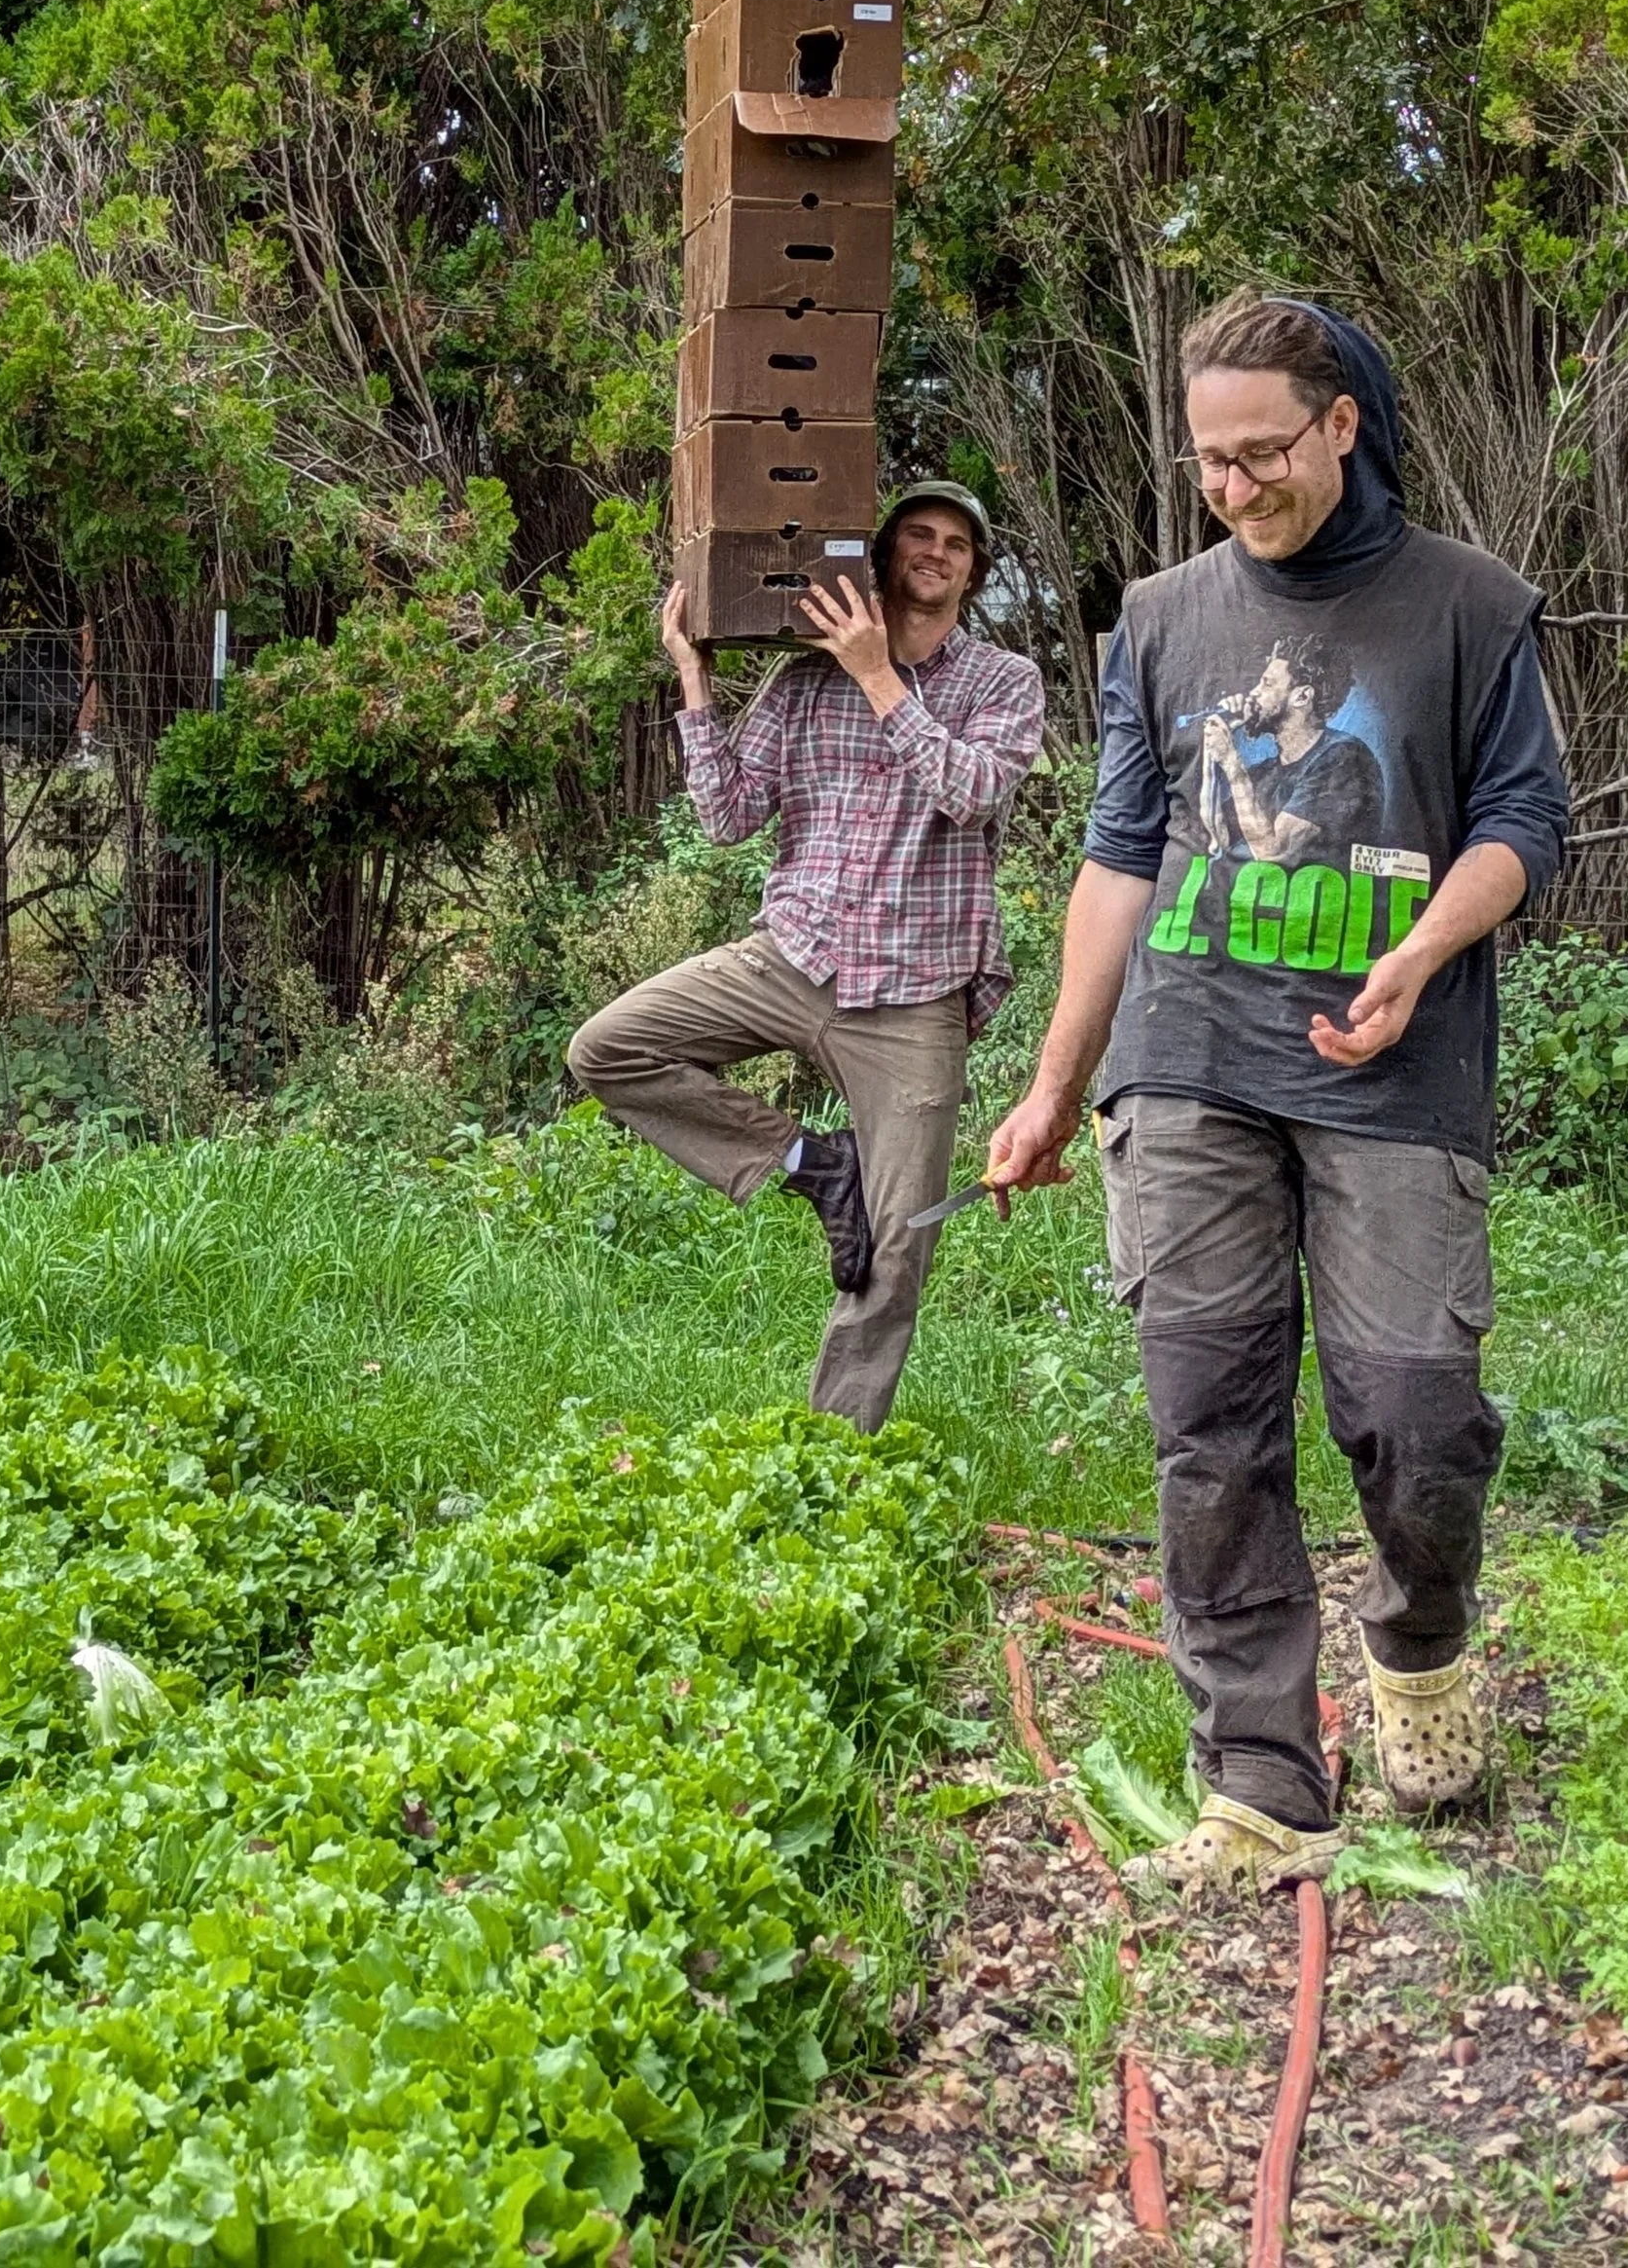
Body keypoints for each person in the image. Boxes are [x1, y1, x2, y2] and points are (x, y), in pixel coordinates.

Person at [988, 290, 1570, 1887]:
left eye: (1263, 452)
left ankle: (1421, 1635)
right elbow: (1118, 859)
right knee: (1211, 1416)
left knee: (1416, 1415)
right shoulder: (1165, 617)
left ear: (1339, 424)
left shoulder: (1467, 607)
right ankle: (1261, 1777)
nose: (1235, 485)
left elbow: (1524, 822)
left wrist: (1424, 950)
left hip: (1397, 1057)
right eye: (1211, 460)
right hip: (1188, 1057)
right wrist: (1056, 1077)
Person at [567, 482, 1046, 1426]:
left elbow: (972, 791)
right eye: (919, 534)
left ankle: (829, 1463)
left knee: (897, 1244)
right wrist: (694, 679)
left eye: (956, 543)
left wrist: (878, 675)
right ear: (883, 553)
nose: (936, 552)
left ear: (972, 573)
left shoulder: (1002, 683)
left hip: (914, 996)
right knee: (607, 1048)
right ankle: (811, 1163)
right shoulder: (802, 681)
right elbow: (725, 815)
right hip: (791, 959)